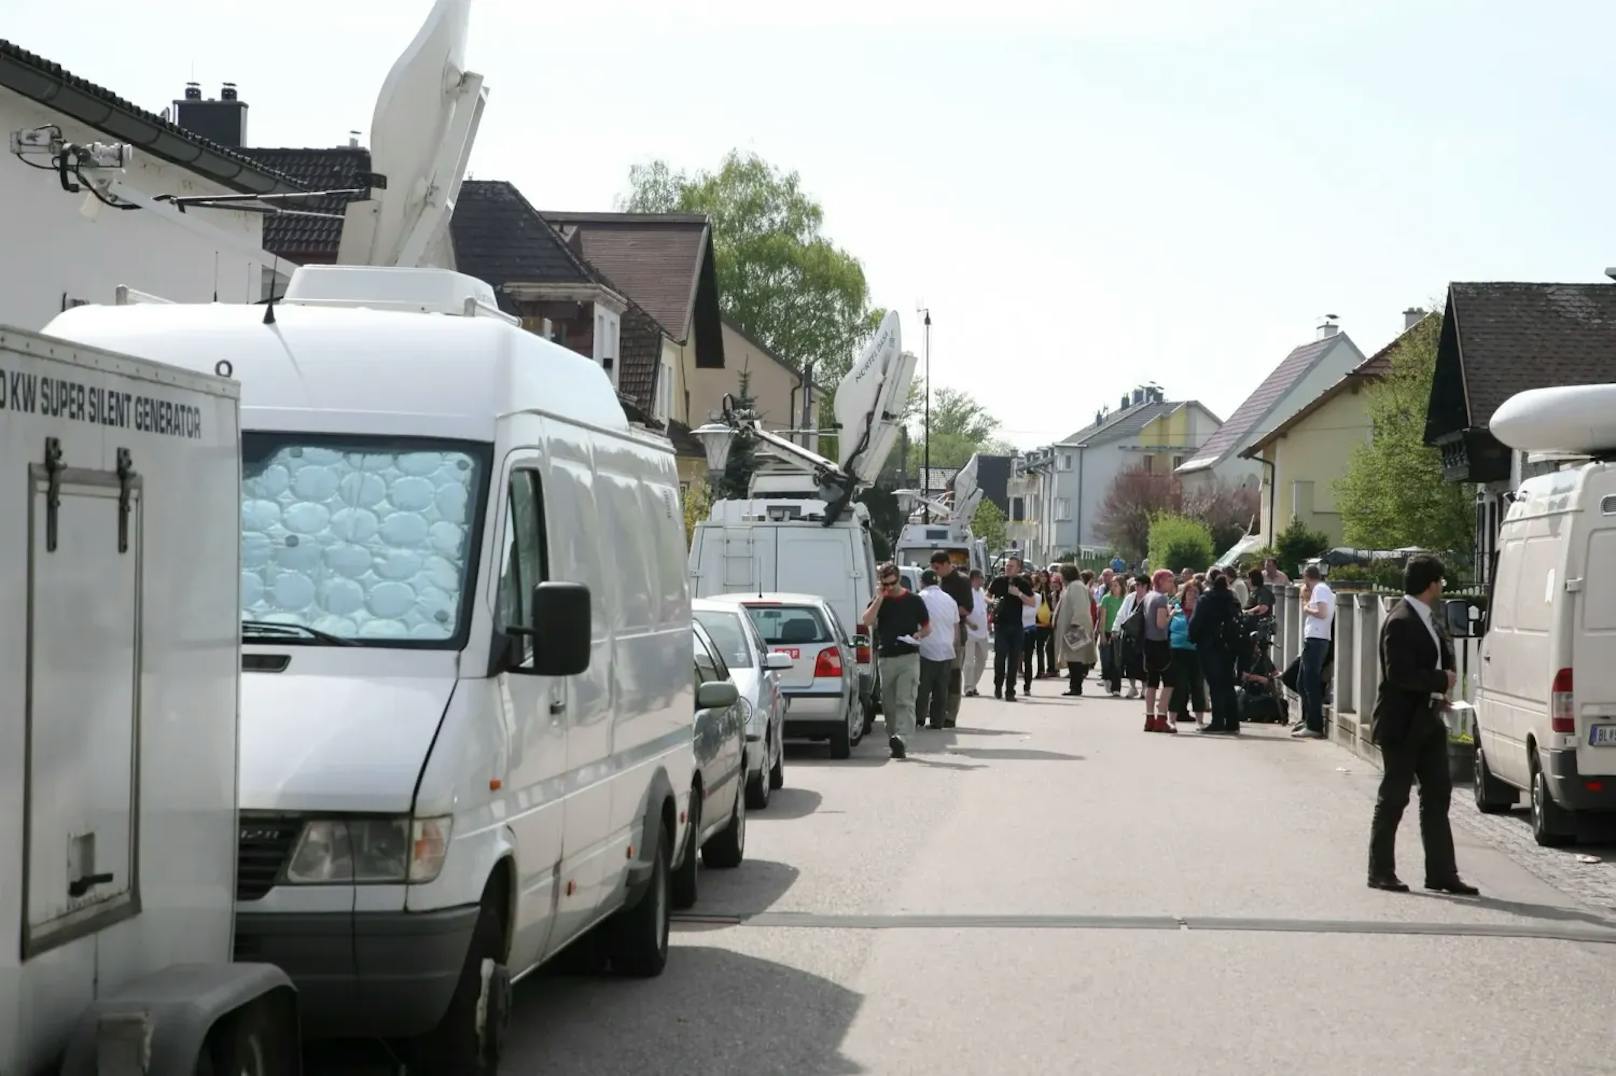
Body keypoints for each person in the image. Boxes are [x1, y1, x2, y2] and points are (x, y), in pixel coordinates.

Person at [1366, 556, 1478, 895]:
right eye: (1440, 581)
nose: (1443, 587)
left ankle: (1442, 873)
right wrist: (1439, 678)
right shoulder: (1401, 619)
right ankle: (1380, 870)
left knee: (1438, 794)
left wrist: (1437, 692)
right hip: (1401, 723)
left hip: (1428, 719)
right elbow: (1398, 673)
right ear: (1430, 583)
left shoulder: (1429, 618)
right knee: (1394, 797)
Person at [861, 562, 930, 759]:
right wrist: (880, 598)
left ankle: (903, 738)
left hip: (909, 656)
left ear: (899, 579)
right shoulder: (880, 600)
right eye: (885, 584)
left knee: (905, 700)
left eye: (892, 583)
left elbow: (927, 627)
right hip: (886, 658)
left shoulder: (914, 600)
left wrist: (918, 635)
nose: (889, 588)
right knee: (889, 704)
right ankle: (894, 738)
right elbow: (866, 621)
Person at [1191, 573, 1243, 734]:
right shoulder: (1233, 600)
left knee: (1215, 684)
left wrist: (1193, 637)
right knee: (1227, 682)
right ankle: (1233, 722)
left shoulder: (1206, 600)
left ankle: (1218, 721)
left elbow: (1196, 622)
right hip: (1229, 647)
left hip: (1209, 646)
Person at [931, 551, 973, 727]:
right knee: (938, 675)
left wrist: (947, 609)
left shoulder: (962, 581)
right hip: (936, 632)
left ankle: (951, 714)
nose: (935, 571)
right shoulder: (938, 582)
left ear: (947, 564)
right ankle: (936, 713)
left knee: (953, 675)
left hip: (955, 632)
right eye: (933, 568)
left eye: (937, 568)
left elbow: (967, 609)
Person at [915, 570, 960, 731]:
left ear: (922, 582)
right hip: (946, 649)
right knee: (941, 689)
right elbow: (956, 627)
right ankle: (937, 721)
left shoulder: (920, 598)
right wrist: (952, 644)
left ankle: (919, 717)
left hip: (926, 648)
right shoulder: (950, 600)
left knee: (923, 686)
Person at [1294, 564, 1334, 739]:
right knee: (1302, 682)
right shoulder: (1322, 589)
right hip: (1314, 639)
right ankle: (1309, 718)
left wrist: (1306, 608)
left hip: (1317, 639)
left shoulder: (1319, 589)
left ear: (1306, 577)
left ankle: (1315, 725)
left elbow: (1322, 613)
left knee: (1310, 684)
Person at [988, 556, 1036, 701]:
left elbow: (1032, 602)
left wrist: (1019, 594)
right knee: (1000, 658)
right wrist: (992, 602)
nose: (1008, 568)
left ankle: (1010, 691)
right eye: (1007, 565)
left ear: (1018, 569)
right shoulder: (998, 581)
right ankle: (998, 686)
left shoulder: (1023, 583)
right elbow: (987, 595)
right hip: (1001, 625)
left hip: (1016, 626)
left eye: (1011, 566)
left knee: (1014, 660)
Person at [1167, 580, 1207, 724]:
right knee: (1178, 685)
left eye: (1196, 592)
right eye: (1190, 592)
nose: (1192, 595)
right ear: (1184, 594)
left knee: (1197, 685)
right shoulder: (1175, 608)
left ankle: (1200, 721)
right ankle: (1172, 719)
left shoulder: (1203, 610)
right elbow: (1165, 627)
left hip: (1196, 652)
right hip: (1177, 651)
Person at [1054, 565, 1098, 696]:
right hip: (1073, 627)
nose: (1060, 578)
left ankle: (1075, 687)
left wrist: (1076, 623)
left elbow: (1081, 607)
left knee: (1075, 658)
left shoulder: (1076, 587)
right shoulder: (1073, 586)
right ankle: (1074, 686)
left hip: (1076, 627)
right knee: (1073, 658)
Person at [1142, 568, 1177, 732]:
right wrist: (1171, 614)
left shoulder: (1148, 596)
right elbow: (1161, 624)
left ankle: (1149, 718)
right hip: (1160, 643)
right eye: (1169, 580)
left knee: (1152, 682)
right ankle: (1161, 718)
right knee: (1169, 682)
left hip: (1147, 643)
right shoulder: (1161, 599)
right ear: (1160, 581)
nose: (1172, 584)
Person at [1114, 574, 1151, 700]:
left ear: (1146, 586)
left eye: (1139, 585)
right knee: (1129, 661)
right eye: (1136, 585)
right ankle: (1132, 687)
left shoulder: (1150, 598)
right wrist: (1116, 628)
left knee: (1143, 663)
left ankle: (1144, 688)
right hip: (1129, 633)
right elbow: (1121, 613)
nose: (1137, 587)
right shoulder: (1130, 597)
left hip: (1144, 636)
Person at [962, 569, 991, 697]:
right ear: (974, 578)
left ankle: (973, 684)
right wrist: (969, 623)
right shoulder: (967, 592)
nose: (983, 581)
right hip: (969, 632)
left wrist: (989, 624)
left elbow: (984, 606)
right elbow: (961, 610)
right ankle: (968, 687)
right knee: (969, 661)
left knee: (982, 659)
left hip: (982, 633)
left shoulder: (981, 592)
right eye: (981, 578)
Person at [1098, 576, 1126, 696]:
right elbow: (1102, 618)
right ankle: (1106, 678)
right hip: (1108, 631)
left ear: (1121, 587)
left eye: (1116, 586)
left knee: (1117, 661)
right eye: (1112, 585)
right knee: (1106, 659)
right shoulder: (1106, 599)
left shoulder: (1124, 600)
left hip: (1119, 633)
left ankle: (1116, 688)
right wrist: (1102, 634)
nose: (1113, 588)